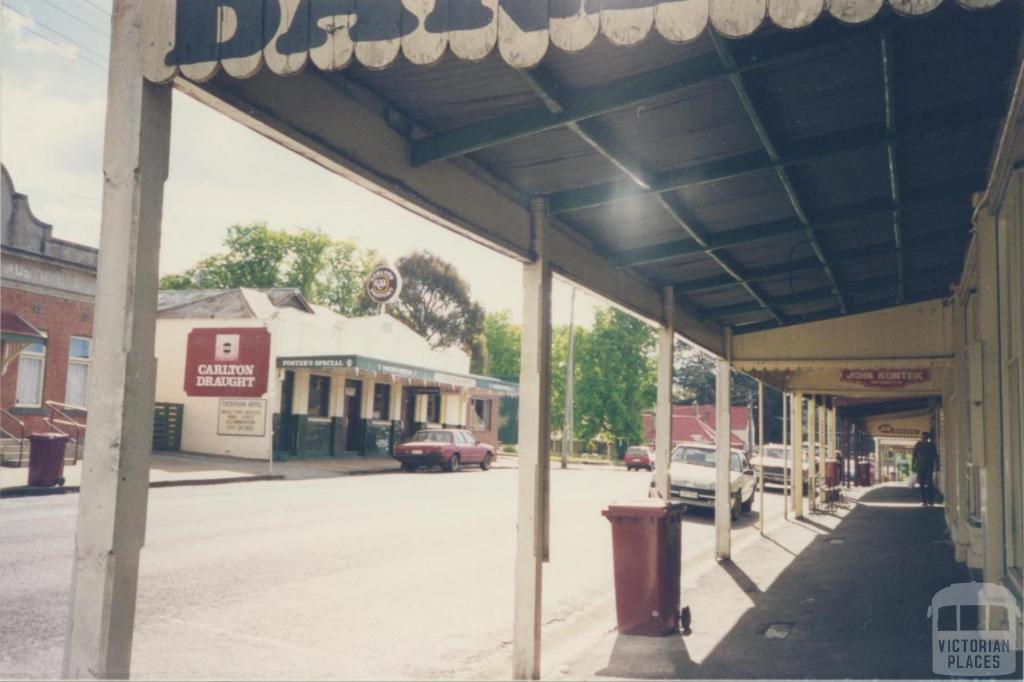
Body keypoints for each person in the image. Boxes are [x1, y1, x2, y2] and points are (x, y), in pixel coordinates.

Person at [912, 431, 940, 506]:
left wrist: (937, 465)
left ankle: (930, 500)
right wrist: (913, 466)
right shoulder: (918, 445)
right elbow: (914, 456)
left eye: (925, 436)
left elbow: (935, 456)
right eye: (922, 436)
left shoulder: (931, 445)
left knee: (929, 483)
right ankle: (924, 500)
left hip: (929, 466)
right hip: (920, 466)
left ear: (927, 437)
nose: (923, 437)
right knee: (921, 483)